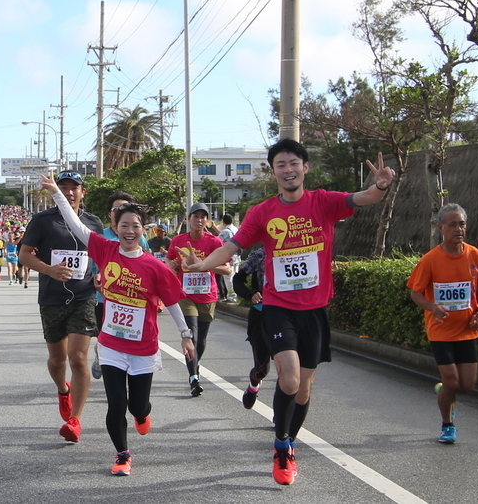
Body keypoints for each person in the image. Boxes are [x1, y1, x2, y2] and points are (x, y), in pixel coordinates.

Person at [183, 139, 394, 485]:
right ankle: (281, 447)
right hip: (278, 307)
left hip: (315, 309)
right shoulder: (263, 212)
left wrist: (381, 186)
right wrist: (203, 264)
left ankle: (290, 442)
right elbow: (233, 246)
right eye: (281, 164)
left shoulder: (323, 202)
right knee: (291, 376)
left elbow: (365, 197)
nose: (288, 169)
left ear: (304, 167)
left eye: (294, 163)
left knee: (304, 388)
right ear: (274, 171)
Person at [41, 176, 194, 474]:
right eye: (124, 225)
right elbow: (75, 224)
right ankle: (122, 455)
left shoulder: (154, 266)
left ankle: (142, 414)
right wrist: (58, 193)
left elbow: (173, 301)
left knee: (138, 406)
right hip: (111, 344)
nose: (129, 231)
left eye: (135, 226)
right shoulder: (104, 249)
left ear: (142, 230)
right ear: (116, 227)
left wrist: (186, 336)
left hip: (143, 346)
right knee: (115, 403)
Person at [19, 170, 104, 443]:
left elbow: (101, 255)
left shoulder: (93, 222)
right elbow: (23, 255)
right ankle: (62, 390)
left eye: (74, 188)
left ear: (83, 192)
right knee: (58, 360)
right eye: (63, 186)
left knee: (79, 358)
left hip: (84, 296)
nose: (68, 192)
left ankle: (76, 421)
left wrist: (100, 272)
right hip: (52, 298)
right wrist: (49, 270)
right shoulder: (42, 220)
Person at [407, 203, 478, 444]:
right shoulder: (430, 260)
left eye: (462, 223)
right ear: (440, 227)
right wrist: (433, 307)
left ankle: (445, 392)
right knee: (452, 381)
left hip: (467, 330)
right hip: (440, 331)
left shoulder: (477, 256)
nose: (458, 229)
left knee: (467, 385)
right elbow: (416, 293)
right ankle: (448, 425)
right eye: (452, 224)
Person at [165, 203, 231, 397]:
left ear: (208, 221)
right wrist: (173, 265)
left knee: (201, 339)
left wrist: (204, 265)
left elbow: (227, 269)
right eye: (196, 216)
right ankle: (193, 377)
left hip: (207, 295)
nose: (199, 220)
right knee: (191, 334)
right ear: (189, 219)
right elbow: (168, 262)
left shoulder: (214, 243)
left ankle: (195, 363)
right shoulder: (178, 240)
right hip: (185, 296)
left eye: (203, 217)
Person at [93, 192, 153, 380]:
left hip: (132, 301)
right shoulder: (101, 236)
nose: (129, 231)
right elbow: (91, 263)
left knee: (128, 339)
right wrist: (94, 276)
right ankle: (102, 357)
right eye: (116, 209)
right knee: (106, 336)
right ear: (110, 214)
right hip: (103, 299)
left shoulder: (138, 237)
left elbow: (148, 264)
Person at [233, 245, 270, 409]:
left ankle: (281, 418)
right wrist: (250, 293)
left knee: (287, 371)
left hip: (289, 315)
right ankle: (254, 385)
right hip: (261, 315)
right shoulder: (260, 255)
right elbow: (237, 280)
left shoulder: (299, 252)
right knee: (262, 370)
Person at [217, 215, 240, 302]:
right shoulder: (235, 229)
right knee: (235, 276)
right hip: (237, 256)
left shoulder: (225, 231)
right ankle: (237, 295)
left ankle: (232, 296)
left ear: (223, 222)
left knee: (228, 278)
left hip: (229, 257)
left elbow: (217, 242)